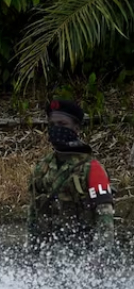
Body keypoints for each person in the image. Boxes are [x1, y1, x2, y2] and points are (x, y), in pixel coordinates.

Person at [27, 97, 115, 254]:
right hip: (48, 255)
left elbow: (105, 219)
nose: (56, 129)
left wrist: (100, 259)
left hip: (83, 253)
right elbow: (33, 214)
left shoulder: (92, 168)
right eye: (52, 124)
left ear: (76, 128)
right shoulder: (42, 167)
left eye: (62, 124)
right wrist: (32, 255)